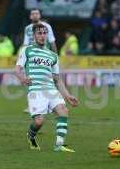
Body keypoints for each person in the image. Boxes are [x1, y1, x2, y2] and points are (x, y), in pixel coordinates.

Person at [15, 23, 79, 152]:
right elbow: (17, 69)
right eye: (39, 33)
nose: (42, 36)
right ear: (34, 36)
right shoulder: (27, 50)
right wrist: (23, 79)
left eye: (44, 33)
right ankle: (31, 136)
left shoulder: (53, 55)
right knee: (39, 122)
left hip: (51, 89)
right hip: (36, 90)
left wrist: (67, 95)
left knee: (63, 111)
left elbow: (57, 78)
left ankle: (59, 145)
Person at [22, 9, 57, 113]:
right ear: (30, 16)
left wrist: (55, 56)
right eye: (33, 14)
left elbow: (52, 41)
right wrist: (21, 55)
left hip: (45, 56)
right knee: (31, 80)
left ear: (40, 15)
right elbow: (25, 43)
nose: (35, 15)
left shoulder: (46, 27)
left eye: (36, 13)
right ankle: (32, 105)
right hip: (32, 57)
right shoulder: (27, 28)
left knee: (50, 80)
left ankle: (51, 103)